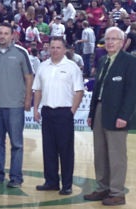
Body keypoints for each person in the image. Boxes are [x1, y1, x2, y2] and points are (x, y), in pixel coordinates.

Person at [84, 27, 136, 206]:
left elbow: (132, 92)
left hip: (118, 114)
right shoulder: (103, 60)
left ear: (122, 42)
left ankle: (117, 192)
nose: (110, 42)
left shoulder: (130, 61)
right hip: (99, 110)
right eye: (107, 39)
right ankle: (102, 188)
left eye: (114, 39)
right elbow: (97, 89)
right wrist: (91, 113)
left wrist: (124, 116)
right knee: (100, 153)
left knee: (116, 155)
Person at [0, 22, 34, 188]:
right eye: (0, 33)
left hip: (15, 106)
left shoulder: (21, 53)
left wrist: (28, 99)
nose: (3, 36)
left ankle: (16, 177)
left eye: (6, 33)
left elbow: (29, 77)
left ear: (13, 35)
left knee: (16, 144)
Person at [33, 37, 84, 195]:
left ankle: (67, 184)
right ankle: (51, 182)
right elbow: (38, 90)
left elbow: (79, 91)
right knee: (48, 149)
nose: (55, 50)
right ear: (49, 49)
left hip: (64, 112)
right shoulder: (43, 66)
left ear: (64, 49)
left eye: (58, 47)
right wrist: (36, 109)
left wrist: (72, 111)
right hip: (47, 112)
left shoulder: (72, 67)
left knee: (66, 150)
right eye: (52, 47)